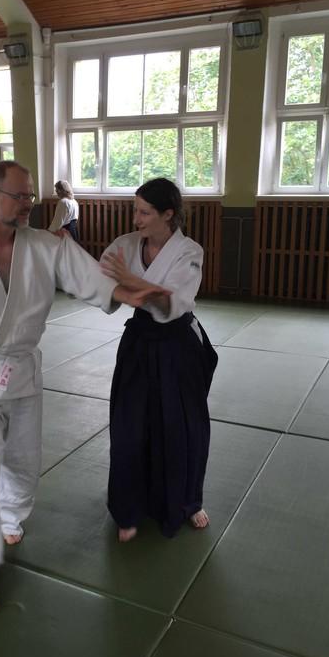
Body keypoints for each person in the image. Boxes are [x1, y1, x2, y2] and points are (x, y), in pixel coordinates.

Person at [0, 160, 166, 615]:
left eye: (31, 195)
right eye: (20, 195)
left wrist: (124, 294)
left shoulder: (45, 245)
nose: (29, 203)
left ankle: (11, 518)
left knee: (25, 462)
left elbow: (86, 276)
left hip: (23, 369)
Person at [100, 178, 218, 543]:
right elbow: (101, 279)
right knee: (129, 425)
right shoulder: (125, 245)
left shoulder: (189, 251)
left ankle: (187, 500)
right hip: (139, 342)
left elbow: (171, 302)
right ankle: (128, 508)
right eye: (135, 210)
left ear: (168, 214)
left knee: (183, 426)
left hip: (178, 345)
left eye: (145, 213)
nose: (136, 219)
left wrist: (130, 280)